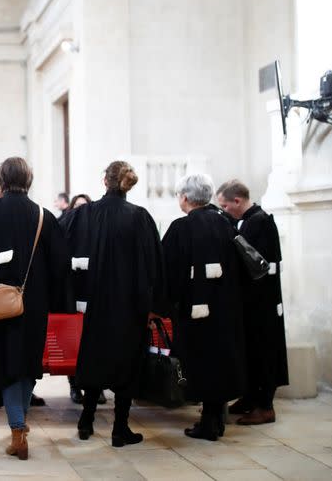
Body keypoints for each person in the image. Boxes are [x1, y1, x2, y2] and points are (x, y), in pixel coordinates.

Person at [0, 157, 70, 461]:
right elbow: (60, 265)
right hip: (34, 303)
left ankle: (18, 430)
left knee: (6, 364)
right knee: (27, 362)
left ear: (0, 181)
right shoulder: (43, 216)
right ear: (28, 180)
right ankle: (19, 425)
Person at [65, 161, 164, 446]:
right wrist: (153, 304)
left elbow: (60, 246)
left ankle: (86, 420)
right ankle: (120, 428)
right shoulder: (140, 217)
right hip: (129, 306)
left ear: (103, 180)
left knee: (95, 359)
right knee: (126, 364)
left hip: (95, 304)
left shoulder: (83, 214)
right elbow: (153, 266)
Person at [162, 173, 246, 441]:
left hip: (194, 312)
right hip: (224, 309)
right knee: (219, 361)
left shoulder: (180, 228)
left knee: (199, 363)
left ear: (185, 197)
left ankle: (209, 424)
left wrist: (160, 305)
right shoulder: (226, 223)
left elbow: (166, 272)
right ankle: (213, 418)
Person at [217, 179, 288, 425]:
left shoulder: (261, 221)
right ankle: (249, 397)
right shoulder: (247, 221)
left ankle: (266, 406)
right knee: (250, 351)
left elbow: (259, 263)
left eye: (225, 206)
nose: (224, 211)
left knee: (265, 352)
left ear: (237, 201)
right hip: (250, 301)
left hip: (263, 303)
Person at [59, 192, 94, 405]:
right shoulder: (66, 227)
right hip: (73, 295)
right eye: (77, 206)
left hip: (92, 293)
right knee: (74, 343)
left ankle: (93, 386)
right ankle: (74, 385)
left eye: (85, 206)